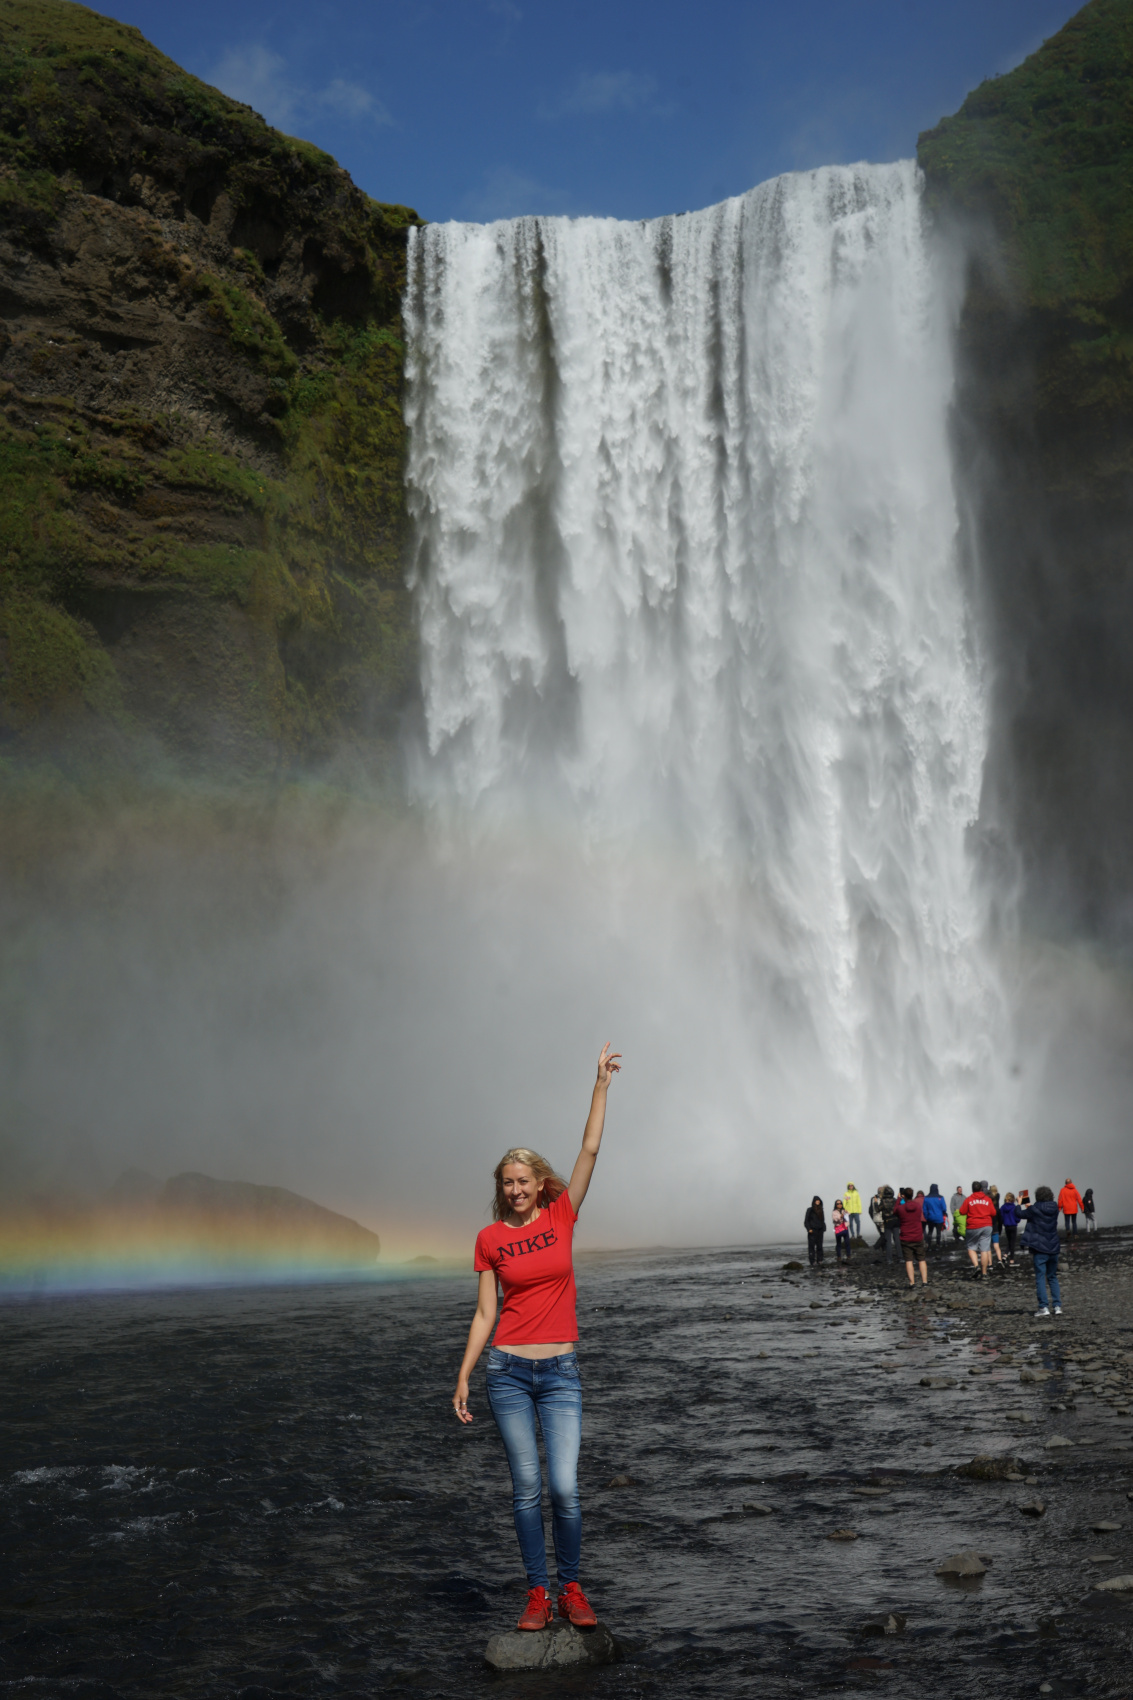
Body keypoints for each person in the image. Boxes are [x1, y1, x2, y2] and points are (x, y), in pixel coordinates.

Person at [453, 1042, 622, 1632]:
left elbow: (590, 1148)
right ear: (499, 1188)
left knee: (564, 1487)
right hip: (506, 1371)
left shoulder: (561, 1217)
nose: (516, 1189)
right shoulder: (488, 1239)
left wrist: (599, 1084)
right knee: (526, 1488)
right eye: (507, 1183)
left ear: (538, 1181)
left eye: (523, 1180)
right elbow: (483, 1313)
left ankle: (571, 1587)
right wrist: (465, 1374)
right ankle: (536, 1594)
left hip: (559, 1374)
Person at [1020, 1184, 1063, 1318]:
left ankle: (1043, 1307)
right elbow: (1037, 1212)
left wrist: (1019, 1202)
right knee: (1052, 1277)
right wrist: (1030, 1207)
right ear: (1051, 1196)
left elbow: (1020, 1214)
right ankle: (1057, 1306)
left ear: (1038, 1197)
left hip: (1040, 1248)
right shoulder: (1055, 1208)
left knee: (1040, 1277)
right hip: (1053, 1247)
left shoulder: (1034, 1209)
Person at [894, 1186, 928, 1287]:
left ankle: (912, 1283)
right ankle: (924, 1281)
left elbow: (894, 1211)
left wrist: (899, 1199)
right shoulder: (918, 1206)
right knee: (921, 1259)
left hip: (906, 1237)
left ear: (904, 1196)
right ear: (912, 1195)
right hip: (918, 1236)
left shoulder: (901, 1208)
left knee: (909, 1260)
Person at [962, 1180, 997, 1280]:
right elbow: (993, 1213)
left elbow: (962, 1211)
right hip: (986, 1226)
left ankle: (976, 1266)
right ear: (981, 1189)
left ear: (972, 1189)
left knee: (971, 1247)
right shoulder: (987, 1199)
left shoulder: (969, 1199)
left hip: (973, 1226)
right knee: (984, 1249)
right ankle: (984, 1273)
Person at [922, 1183, 947, 1249]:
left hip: (930, 1218)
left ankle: (929, 1246)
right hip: (939, 1218)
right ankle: (937, 1245)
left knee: (930, 1232)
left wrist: (926, 1217)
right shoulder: (940, 1198)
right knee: (938, 1232)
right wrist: (943, 1214)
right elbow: (944, 1208)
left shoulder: (926, 1198)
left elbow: (924, 1209)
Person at [879, 1185, 900, 1265]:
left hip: (887, 1221)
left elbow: (878, 1209)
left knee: (888, 1241)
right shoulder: (895, 1200)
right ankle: (900, 1257)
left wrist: (876, 1201)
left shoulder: (883, 1201)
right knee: (897, 1239)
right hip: (895, 1220)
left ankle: (889, 1259)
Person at [1000, 1192, 1021, 1266]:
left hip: (1006, 1226)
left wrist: (1003, 1223)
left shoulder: (1002, 1207)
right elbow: (1017, 1218)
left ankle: (1005, 1255)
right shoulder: (1014, 1207)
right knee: (1012, 1243)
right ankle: (1011, 1259)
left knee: (1009, 1242)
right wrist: (1016, 1221)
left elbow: (1001, 1217)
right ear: (1013, 1199)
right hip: (1013, 1226)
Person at [804, 1196, 826, 1265]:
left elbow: (822, 1220)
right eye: (816, 1200)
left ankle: (820, 1260)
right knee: (811, 1247)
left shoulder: (821, 1210)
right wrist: (809, 1229)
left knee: (819, 1246)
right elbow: (806, 1221)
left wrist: (824, 1228)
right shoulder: (809, 1210)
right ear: (813, 1201)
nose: (817, 1201)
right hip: (812, 1231)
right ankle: (812, 1261)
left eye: (818, 1200)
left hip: (820, 1230)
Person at [988, 1186, 1006, 1270]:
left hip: (987, 1229)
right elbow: (1000, 1220)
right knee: (996, 1246)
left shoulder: (986, 1209)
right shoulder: (996, 1209)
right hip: (995, 1229)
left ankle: (990, 1264)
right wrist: (1000, 1230)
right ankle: (999, 1260)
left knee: (988, 1247)